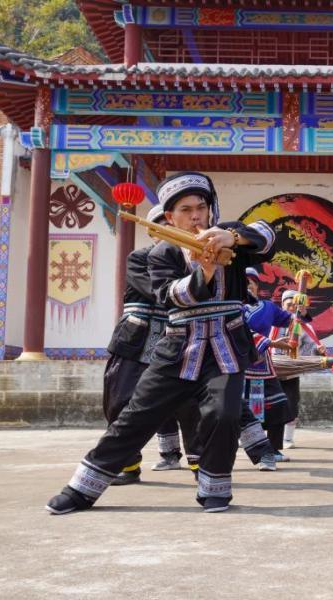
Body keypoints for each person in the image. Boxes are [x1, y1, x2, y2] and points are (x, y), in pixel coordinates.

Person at [46, 171, 276, 514]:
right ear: (170, 216)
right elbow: (171, 298)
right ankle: (82, 489)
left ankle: (214, 488)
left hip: (226, 348)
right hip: (178, 349)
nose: (196, 216)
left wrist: (230, 237)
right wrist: (205, 273)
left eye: (201, 207)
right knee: (134, 416)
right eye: (186, 209)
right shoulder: (161, 254)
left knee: (224, 414)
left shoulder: (230, 239)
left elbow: (269, 237)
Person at [102, 204, 201, 484]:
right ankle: (127, 465)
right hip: (136, 340)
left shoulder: (194, 262)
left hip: (178, 340)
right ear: (153, 230)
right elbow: (161, 292)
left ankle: (201, 466)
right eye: (162, 226)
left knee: (190, 405)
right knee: (120, 401)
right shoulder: (139, 258)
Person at [243, 269, 297, 461]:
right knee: (242, 409)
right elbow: (244, 332)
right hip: (239, 365)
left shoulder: (267, 307)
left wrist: (297, 314)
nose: (248, 284)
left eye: (252, 281)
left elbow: (289, 319)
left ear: (258, 285)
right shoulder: (234, 308)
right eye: (244, 281)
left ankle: (273, 449)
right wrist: (273, 342)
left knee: (278, 405)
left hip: (263, 366)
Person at [275, 289, 326, 450]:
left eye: (294, 305)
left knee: (291, 403)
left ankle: (288, 439)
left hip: (290, 372)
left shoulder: (302, 326)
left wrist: (318, 351)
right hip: (269, 371)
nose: (291, 308)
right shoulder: (271, 323)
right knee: (267, 404)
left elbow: (310, 348)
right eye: (288, 305)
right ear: (282, 305)